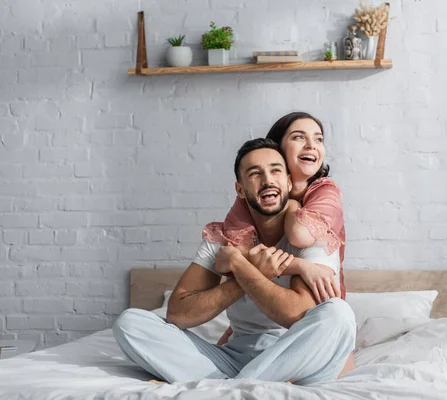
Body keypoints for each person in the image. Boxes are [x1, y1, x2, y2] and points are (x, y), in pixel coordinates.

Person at [112, 138, 356, 385]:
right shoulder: (222, 239)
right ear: (240, 189)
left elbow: (295, 313)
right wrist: (242, 279)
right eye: (255, 173)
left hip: (299, 362)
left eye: (275, 170)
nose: (267, 180)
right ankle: (240, 386)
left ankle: (226, 388)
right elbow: (178, 313)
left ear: (289, 182)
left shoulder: (314, 236)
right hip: (234, 358)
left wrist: (240, 267)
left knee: (339, 315)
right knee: (131, 323)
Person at [205, 112, 354, 373]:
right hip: (256, 318)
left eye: (318, 139)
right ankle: (243, 376)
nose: (311, 145)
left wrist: (293, 206)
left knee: (335, 317)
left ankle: (249, 379)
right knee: (241, 330)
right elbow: (236, 256)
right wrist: (298, 265)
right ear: (277, 148)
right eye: (299, 137)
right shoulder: (249, 197)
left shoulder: (325, 191)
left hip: (318, 304)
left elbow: (298, 235)